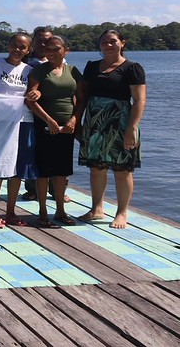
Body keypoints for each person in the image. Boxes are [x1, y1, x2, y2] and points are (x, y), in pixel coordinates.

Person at [77, 30, 146, 229]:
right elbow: (82, 96)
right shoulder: (91, 67)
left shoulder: (132, 68)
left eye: (112, 41)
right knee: (96, 168)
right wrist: (79, 123)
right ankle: (97, 209)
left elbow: (139, 100)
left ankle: (122, 213)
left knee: (122, 169)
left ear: (122, 43)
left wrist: (132, 127)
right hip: (94, 121)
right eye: (104, 42)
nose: (108, 45)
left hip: (121, 122)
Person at [0, 33, 38, 228]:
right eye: (14, 45)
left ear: (28, 50)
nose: (17, 50)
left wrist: (36, 93)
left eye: (22, 47)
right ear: (8, 45)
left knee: (17, 169)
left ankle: (11, 211)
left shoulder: (30, 70)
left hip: (24, 122)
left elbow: (35, 94)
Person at [26, 35, 83, 228]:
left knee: (61, 171)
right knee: (44, 171)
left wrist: (75, 120)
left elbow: (82, 99)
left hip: (67, 127)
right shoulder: (39, 70)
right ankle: (42, 212)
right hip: (45, 126)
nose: (51, 52)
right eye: (48, 49)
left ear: (66, 50)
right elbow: (30, 100)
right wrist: (49, 121)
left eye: (56, 49)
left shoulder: (73, 71)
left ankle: (60, 211)